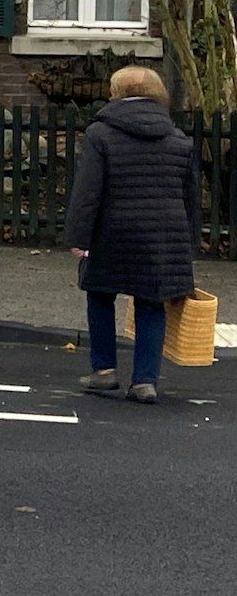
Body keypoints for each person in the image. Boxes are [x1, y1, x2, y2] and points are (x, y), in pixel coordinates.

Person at [66, 66, 199, 403]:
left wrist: (79, 237)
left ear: (117, 92)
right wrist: (188, 244)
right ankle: (144, 382)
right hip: (162, 236)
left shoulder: (100, 134)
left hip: (111, 230)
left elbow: (88, 191)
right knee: (152, 303)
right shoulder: (179, 139)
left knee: (99, 294)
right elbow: (190, 197)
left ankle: (104, 371)